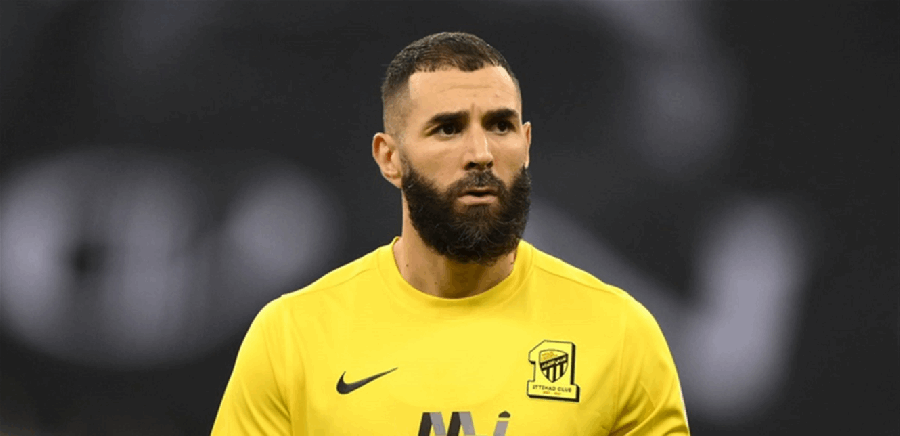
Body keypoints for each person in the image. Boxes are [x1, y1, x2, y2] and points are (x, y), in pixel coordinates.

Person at [212, 31, 690, 435]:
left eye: (500, 126)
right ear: (389, 158)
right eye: (447, 129)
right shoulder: (293, 336)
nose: (480, 152)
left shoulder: (619, 333)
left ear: (526, 146)